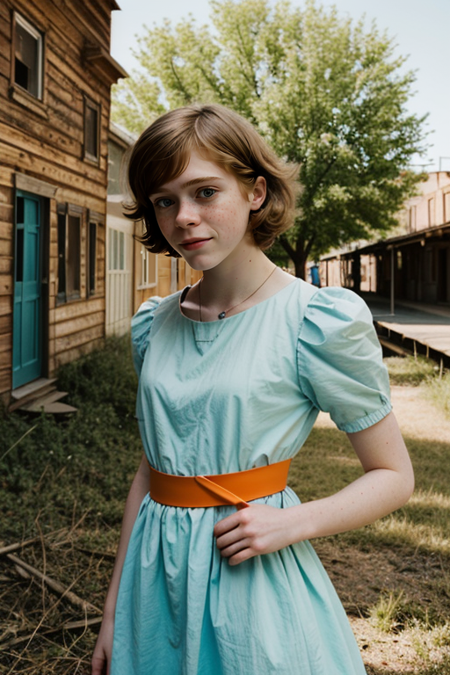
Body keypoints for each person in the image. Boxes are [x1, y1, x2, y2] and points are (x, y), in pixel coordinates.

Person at [92, 104, 414, 675]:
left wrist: (294, 521)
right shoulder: (153, 324)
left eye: (205, 192)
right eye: (165, 201)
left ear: (256, 192)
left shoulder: (316, 321)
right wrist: (115, 610)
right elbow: (150, 472)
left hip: (247, 580)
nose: (184, 217)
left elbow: (394, 476)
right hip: (153, 584)